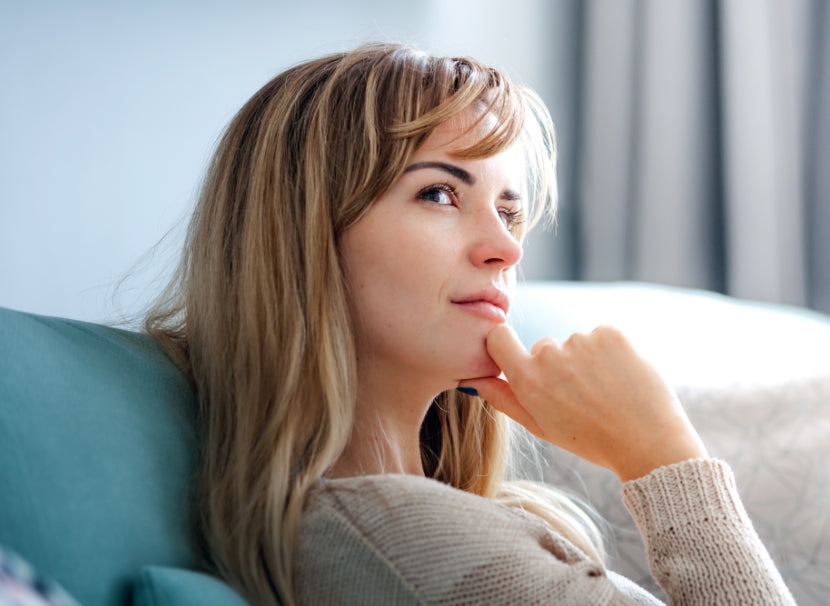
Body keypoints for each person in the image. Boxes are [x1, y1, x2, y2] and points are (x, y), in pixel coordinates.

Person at [146, 43, 796, 605]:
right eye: (439, 194)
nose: (506, 249)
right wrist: (664, 456)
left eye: (509, 212)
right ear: (302, 236)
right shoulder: (398, 536)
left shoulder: (434, 520)